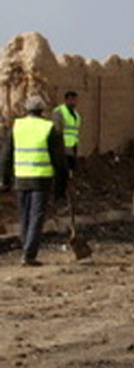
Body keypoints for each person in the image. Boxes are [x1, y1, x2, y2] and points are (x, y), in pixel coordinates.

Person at [1, 95, 68, 265]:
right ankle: (29, 255)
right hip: (41, 179)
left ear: (26, 110)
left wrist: (4, 180)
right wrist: (61, 186)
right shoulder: (48, 127)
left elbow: (6, 156)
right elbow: (59, 160)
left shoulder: (17, 126)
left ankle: (26, 249)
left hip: (21, 178)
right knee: (37, 216)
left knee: (24, 216)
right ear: (42, 110)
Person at [52, 90, 81, 171]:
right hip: (62, 145)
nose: (73, 102)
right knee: (63, 168)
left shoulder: (76, 114)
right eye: (71, 99)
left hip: (73, 144)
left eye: (75, 99)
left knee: (71, 167)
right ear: (66, 100)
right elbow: (56, 128)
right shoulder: (60, 111)